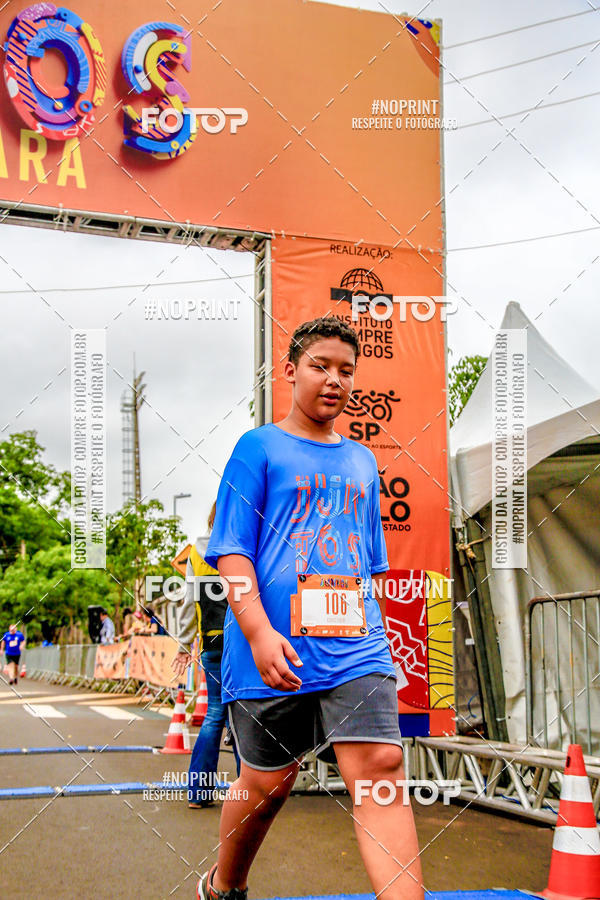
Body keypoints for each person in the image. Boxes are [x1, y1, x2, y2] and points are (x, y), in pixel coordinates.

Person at [198, 316, 423, 900]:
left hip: (356, 645)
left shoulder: (363, 462)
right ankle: (225, 886)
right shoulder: (257, 448)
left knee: (379, 768)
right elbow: (230, 554)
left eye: (346, 371)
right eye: (321, 366)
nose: (334, 380)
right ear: (291, 371)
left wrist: (383, 640)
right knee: (268, 785)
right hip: (273, 649)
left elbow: (370, 563)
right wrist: (258, 632)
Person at [172, 501, 240, 808]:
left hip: (212, 644)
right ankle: (248, 795)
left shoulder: (196, 555)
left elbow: (188, 604)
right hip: (244, 645)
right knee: (244, 717)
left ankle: (198, 793)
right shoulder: (242, 545)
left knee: (214, 714)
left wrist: (185, 645)